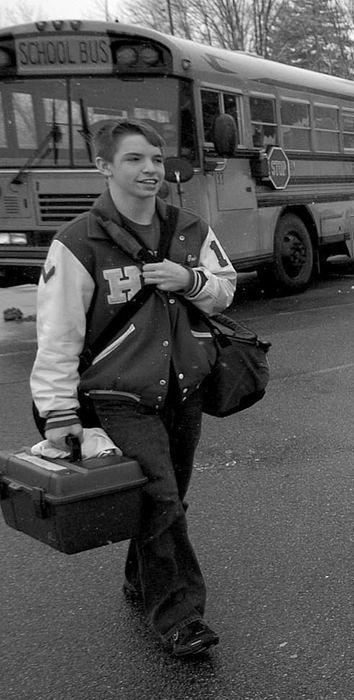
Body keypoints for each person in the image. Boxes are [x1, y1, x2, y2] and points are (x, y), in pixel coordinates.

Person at [30, 119, 237, 657]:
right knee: (162, 495)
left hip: (185, 390)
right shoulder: (78, 242)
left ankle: (140, 576)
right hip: (119, 397)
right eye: (134, 160)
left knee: (165, 498)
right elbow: (57, 336)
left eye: (155, 158)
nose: (151, 169)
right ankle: (179, 617)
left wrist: (187, 280)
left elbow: (225, 290)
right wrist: (58, 414)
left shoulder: (190, 228)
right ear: (104, 167)